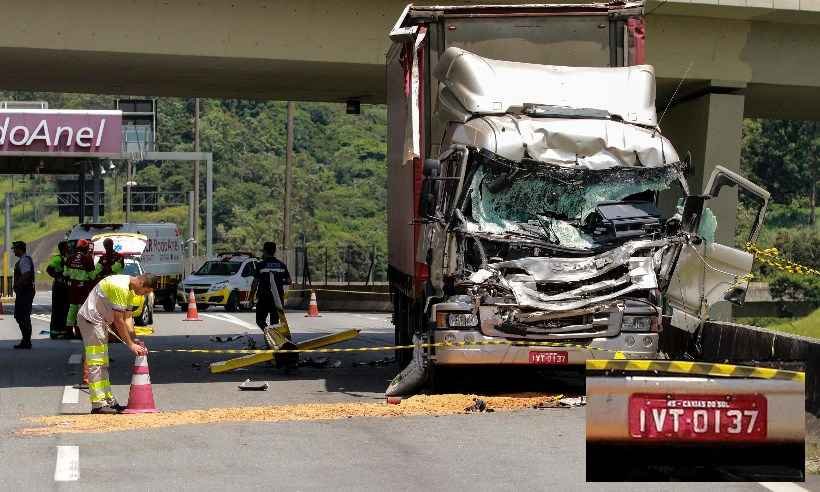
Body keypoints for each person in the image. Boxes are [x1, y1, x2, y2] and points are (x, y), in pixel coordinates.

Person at [77, 274, 156, 414]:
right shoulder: (120, 287)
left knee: (103, 363)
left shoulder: (130, 290)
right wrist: (130, 344)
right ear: (141, 283)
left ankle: (108, 401)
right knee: (97, 363)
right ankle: (98, 404)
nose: (143, 295)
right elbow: (119, 321)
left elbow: (128, 318)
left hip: (99, 323)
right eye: (145, 291)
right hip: (91, 321)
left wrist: (135, 340)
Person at [254, 241, 291, 330]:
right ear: (274, 251)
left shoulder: (260, 265)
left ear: (265, 251)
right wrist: (278, 281)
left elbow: (255, 282)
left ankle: (268, 333)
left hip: (264, 297)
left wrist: (252, 295)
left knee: (260, 320)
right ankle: (272, 335)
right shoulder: (281, 265)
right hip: (277, 297)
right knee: (274, 322)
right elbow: (289, 281)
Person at [65, 239, 96, 337]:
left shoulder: (70, 258)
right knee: (82, 308)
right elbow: (92, 276)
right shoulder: (87, 258)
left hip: (72, 287)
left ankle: (69, 330)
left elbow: (65, 273)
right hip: (83, 288)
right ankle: (79, 332)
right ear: (85, 248)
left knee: (72, 307)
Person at [12, 241, 35, 349]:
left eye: (15, 249)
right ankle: (25, 340)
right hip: (24, 292)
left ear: (19, 249)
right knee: (20, 316)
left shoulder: (24, 260)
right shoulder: (23, 259)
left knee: (23, 316)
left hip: (25, 292)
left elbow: (26, 274)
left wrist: (17, 283)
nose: (14, 251)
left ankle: (26, 340)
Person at [46, 241, 71, 339]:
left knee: (65, 309)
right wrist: (58, 277)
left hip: (65, 287)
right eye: (67, 247)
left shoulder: (67, 258)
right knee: (57, 309)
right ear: (63, 249)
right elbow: (49, 269)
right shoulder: (57, 259)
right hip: (58, 287)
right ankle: (54, 332)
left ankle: (63, 331)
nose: (69, 248)